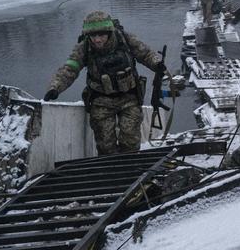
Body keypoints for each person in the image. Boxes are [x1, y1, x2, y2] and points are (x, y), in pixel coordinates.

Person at [44, 11, 166, 156]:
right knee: (105, 146)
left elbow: (145, 53)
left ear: (109, 32)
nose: (97, 40)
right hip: (101, 101)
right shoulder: (84, 48)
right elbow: (70, 69)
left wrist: (157, 64)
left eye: (101, 35)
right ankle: (113, 172)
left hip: (129, 98)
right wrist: (55, 87)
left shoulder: (125, 39)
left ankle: (130, 170)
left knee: (130, 141)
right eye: (93, 36)